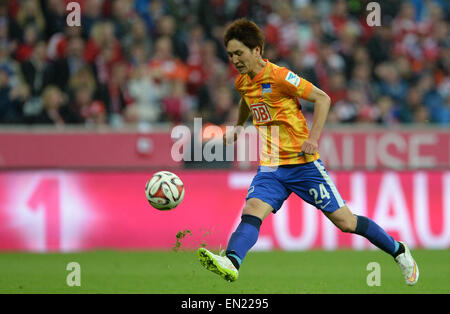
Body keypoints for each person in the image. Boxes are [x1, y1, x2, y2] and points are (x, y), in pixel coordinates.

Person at [197, 18, 419, 286]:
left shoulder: (280, 76)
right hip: (272, 166)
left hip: (304, 165)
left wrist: (313, 138)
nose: (235, 59)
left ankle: (399, 251)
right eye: (231, 54)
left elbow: (322, 98)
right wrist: (237, 128)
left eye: (239, 53)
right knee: (252, 209)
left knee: (347, 223)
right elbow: (247, 100)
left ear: (257, 50)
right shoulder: (242, 82)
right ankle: (231, 262)